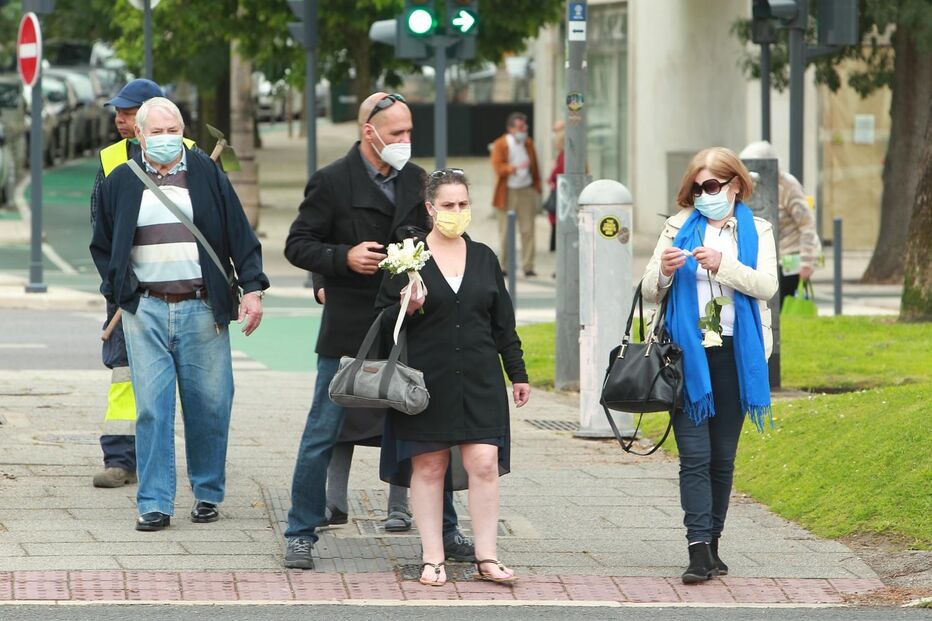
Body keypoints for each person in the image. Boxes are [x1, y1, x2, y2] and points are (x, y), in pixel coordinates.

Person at [282, 92, 474, 570]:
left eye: (410, 132)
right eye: (396, 134)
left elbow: (447, 238)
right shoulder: (331, 182)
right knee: (322, 431)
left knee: (431, 431)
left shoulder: (418, 181)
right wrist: (341, 258)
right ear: (369, 132)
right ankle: (300, 531)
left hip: (413, 323)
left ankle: (447, 532)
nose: (406, 141)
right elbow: (298, 244)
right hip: (350, 326)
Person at [90, 97, 269, 531]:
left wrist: (253, 288)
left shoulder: (207, 173)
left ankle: (207, 491)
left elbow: (237, 233)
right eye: (157, 132)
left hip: (202, 306)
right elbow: (103, 243)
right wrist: (121, 290)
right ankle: (154, 502)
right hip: (145, 308)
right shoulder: (121, 181)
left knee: (210, 404)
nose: (167, 139)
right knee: (151, 408)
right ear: (139, 134)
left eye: (173, 131)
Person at [376, 168, 531, 587]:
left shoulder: (483, 257)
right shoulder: (408, 257)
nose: (457, 212)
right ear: (430, 209)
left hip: (480, 377)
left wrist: (517, 373)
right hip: (426, 382)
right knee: (428, 466)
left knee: (483, 462)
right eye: (448, 205)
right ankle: (432, 558)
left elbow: (503, 324)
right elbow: (381, 320)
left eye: (463, 205)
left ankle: (487, 556)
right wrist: (405, 306)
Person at [641, 147, 778, 584]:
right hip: (687, 355)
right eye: (698, 188)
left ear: (735, 185)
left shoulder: (757, 229)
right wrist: (663, 272)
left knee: (722, 458)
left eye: (713, 186)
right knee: (694, 457)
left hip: (737, 352)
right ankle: (698, 548)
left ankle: (714, 542)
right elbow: (647, 290)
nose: (704, 195)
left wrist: (725, 265)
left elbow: (767, 286)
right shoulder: (677, 227)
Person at [89, 79, 194, 489]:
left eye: (129, 111)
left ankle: (184, 458)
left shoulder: (192, 155)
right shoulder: (113, 158)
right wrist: (117, 284)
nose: (120, 119)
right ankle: (120, 457)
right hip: (127, 289)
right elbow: (101, 225)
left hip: (181, 288)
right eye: (118, 112)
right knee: (124, 373)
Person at [738, 141, 821, 304]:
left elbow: (807, 224)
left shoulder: (788, 185)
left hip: (789, 257)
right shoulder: (752, 184)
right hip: (767, 254)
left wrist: (806, 262)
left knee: (776, 302)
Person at [490, 112, 542, 277]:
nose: (523, 130)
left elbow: (535, 167)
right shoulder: (501, 144)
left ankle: (528, 266)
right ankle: (505, 266)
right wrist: (514, 168)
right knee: (505, 231)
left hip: (526, 190)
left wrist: (537, 186)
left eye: (524, 127)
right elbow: (498, 167)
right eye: (520, 127)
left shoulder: (528, 143)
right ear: (510, 129)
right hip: (507, 192)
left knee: (528, 230)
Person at [545, 120, 565, 254]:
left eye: (556, 130)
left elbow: (557, 173)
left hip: (562, 199)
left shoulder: (566, 156)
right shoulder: (562, 155)